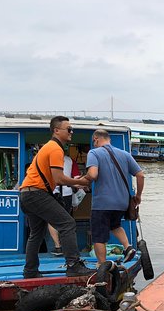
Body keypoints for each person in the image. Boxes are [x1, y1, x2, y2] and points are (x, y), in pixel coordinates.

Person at [19, 116, 92, 278]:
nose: (71, 132)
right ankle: (73, 265)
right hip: (36, 194)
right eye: (69, 129)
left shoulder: (49, 147)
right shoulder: (55, 149)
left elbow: (55, 179)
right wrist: (79, 182)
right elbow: (59, 178)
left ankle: (30, 271)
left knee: (36, 233)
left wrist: (75, 182)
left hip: (27, 194)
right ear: (56, 130)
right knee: (67, 223)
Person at [83, 129, 144, 265]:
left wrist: (82, 180)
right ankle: (128, 247)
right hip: (122, 203)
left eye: (94, 141)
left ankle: (102, 265)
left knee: (99, 236)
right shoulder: (125, 154)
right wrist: (138, 196)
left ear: (96, 139)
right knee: (115, 225)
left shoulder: (94, 153)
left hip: (102, 203)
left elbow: (92, 175)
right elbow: (140, 174)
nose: (94, 144)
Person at [48, 154, 81, 256]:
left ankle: (58, 247)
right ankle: (69, 248)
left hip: (52, 192)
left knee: (51, 220)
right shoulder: (70, 160)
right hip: (67, 193)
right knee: (66, 220)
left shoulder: (49, 159)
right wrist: (76, 202)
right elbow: (77, 178)